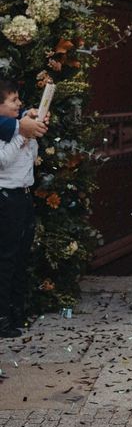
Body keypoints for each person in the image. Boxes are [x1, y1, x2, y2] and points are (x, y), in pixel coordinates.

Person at [0, 80, 43, 339]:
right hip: (6, 198)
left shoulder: (18, 128)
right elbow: (3, 161)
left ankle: (17, 311)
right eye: (12, 100)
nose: (18, 104)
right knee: (6, 258)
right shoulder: (7, 132)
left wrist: (29, 135)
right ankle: (2, 318)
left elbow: (31, 155)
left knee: (20, 256)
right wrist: (21, 136)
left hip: (24, 196)